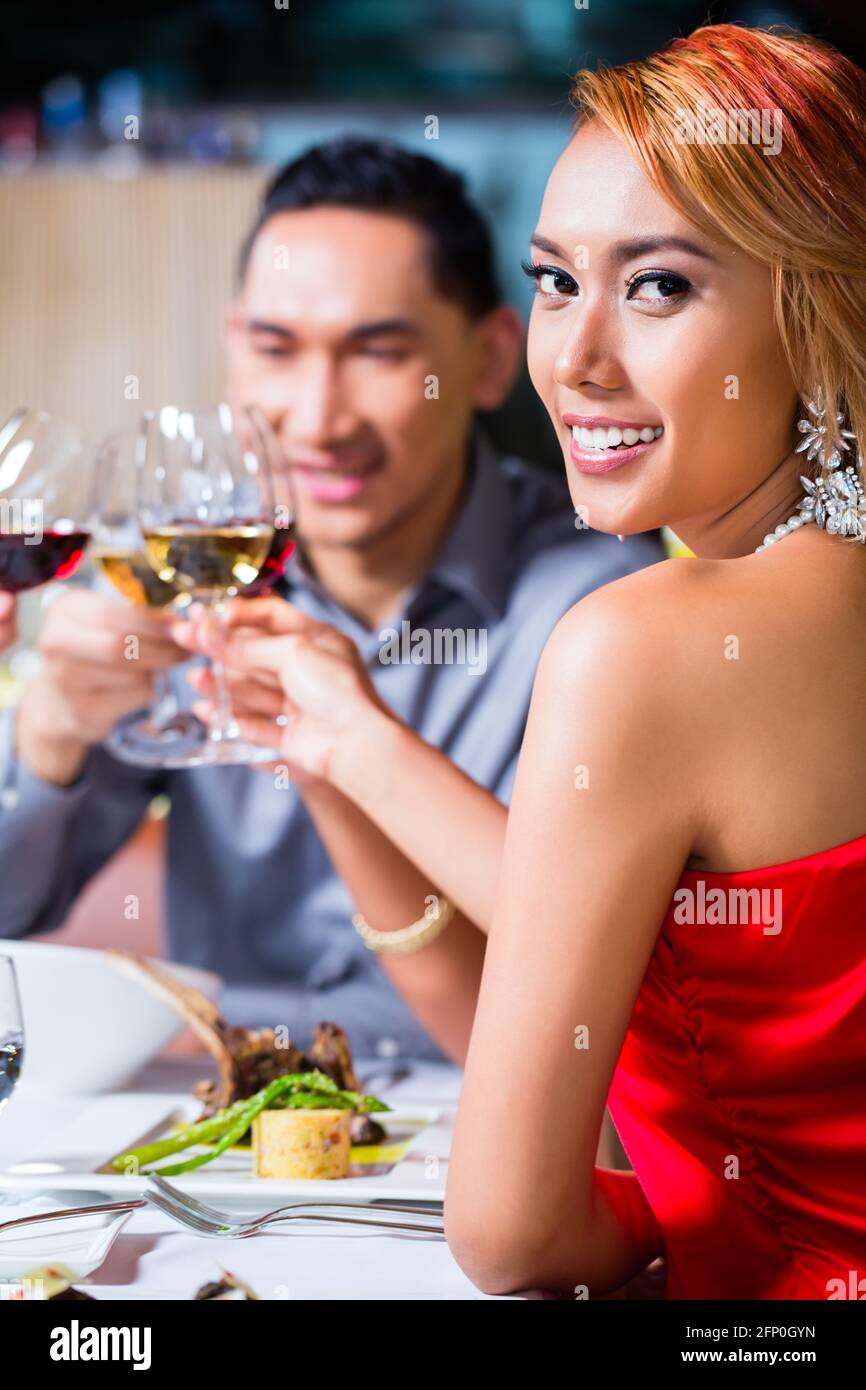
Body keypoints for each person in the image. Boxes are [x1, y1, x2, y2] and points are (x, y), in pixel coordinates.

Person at [0, 137, 662, 1066]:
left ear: (488, 357)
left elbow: (604, 1004)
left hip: (478, 1127)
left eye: (378, 352)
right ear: (236, 348)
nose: (318, 418)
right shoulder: (180, 583)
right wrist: (50, 737)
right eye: (276, 349)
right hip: (223, 1141)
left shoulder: (600, 605)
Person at [425, 23, 866, 1299]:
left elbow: (506, 1238)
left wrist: (670, 1214)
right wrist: (342, 734)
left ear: (816, 312)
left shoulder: (641, 648)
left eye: (658, 285)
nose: (573, 358)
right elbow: (610, 908)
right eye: (555, 279)